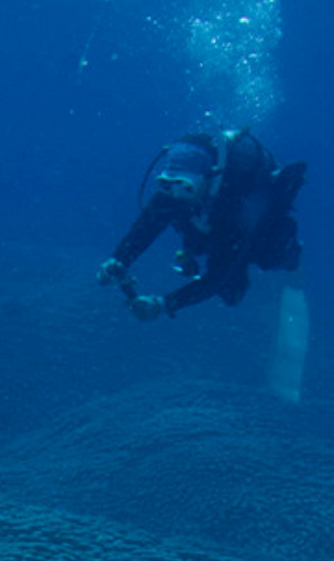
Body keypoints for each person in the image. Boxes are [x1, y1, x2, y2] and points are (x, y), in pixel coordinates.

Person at [97, 128, 312, 402]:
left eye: (185, 187)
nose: (176, 194)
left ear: (208, 177)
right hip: (211, 226)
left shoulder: (238, 206)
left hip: (245, 233)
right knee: (227, 287)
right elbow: (146, 226)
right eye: (167, 184)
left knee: (244, 278)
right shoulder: (174, 194)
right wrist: (118, 260)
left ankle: (293, 260)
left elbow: (218, 277)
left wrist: (164, 304)